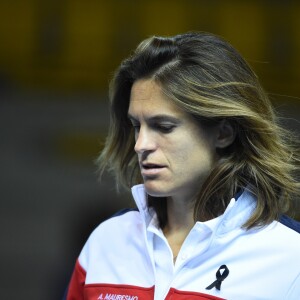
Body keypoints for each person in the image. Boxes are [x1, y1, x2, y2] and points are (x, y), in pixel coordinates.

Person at [64, 32, 300, 300]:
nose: (140, 144)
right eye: (136, 126)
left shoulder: (291, 257)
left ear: (224, 132)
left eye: (163, 127)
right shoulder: (106, 242)